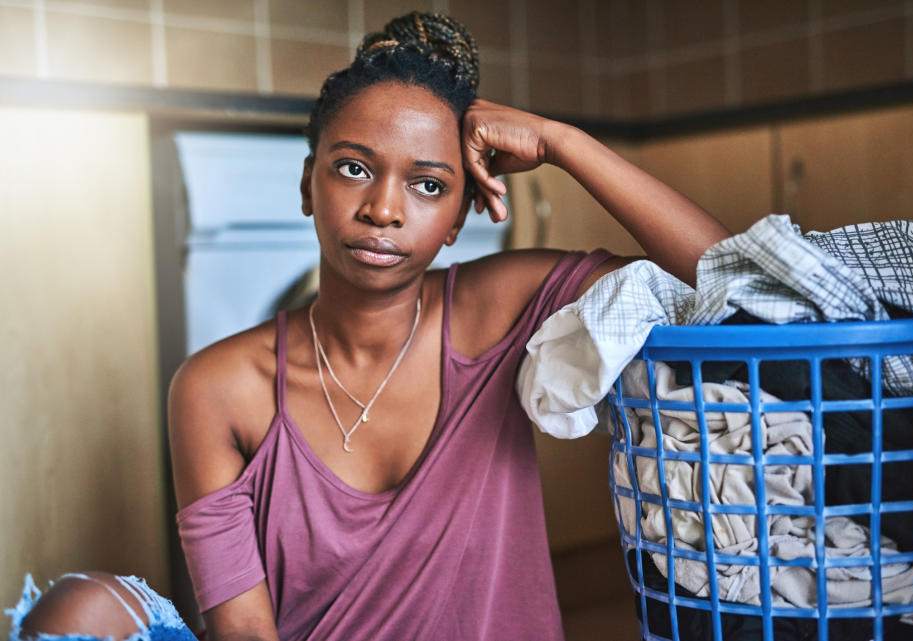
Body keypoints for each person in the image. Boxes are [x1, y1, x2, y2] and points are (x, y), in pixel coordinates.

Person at [8, 11, 729, 641]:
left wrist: (565, 143)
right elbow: (245, 627)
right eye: (354, 168)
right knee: (70, 613)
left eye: (427, 185)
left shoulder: (497, 309)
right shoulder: (216, 387)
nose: (384, 209)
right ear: (306, 184)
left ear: (457, 219)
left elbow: (734, 278)